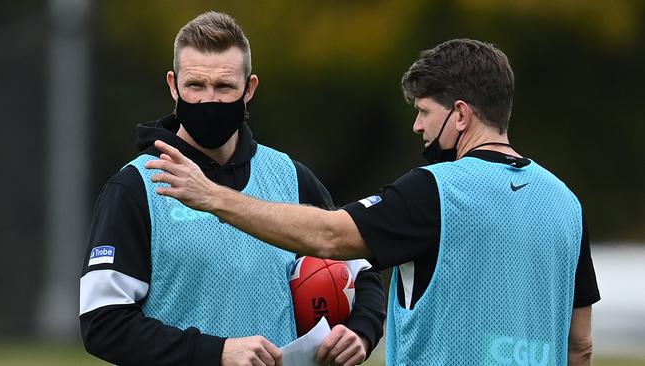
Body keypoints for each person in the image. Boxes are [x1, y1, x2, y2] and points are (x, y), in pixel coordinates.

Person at [146, 39, 601, 365]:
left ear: (460, 115)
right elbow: (579, 346)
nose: (418, 128)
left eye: (424, 112)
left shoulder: (434, 190)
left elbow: (328, 236)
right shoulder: (566, 203)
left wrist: (214, 198)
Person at [79, 10, 385, 366]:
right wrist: (217, 352)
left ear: (249, 89)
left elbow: (361, 271)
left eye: (224, 87)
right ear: (173, 85)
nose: (210, 100)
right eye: (195, 85)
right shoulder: (134, 188)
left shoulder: (290, 177)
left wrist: (361, 331)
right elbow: (102, 323)